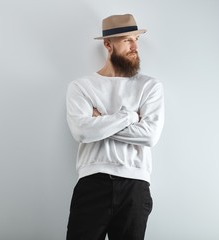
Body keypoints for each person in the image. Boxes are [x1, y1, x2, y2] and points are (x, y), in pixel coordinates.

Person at [66, 13, 165, 240]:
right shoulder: (81, 87)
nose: (135, 46)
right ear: (108, 44)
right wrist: (130, 116)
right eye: (127, 40)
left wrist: (100, 121)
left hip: (135, 186)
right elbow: (81, 131)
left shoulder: (149, 86)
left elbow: (150, 136)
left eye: (136, 39)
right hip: (92, 183)